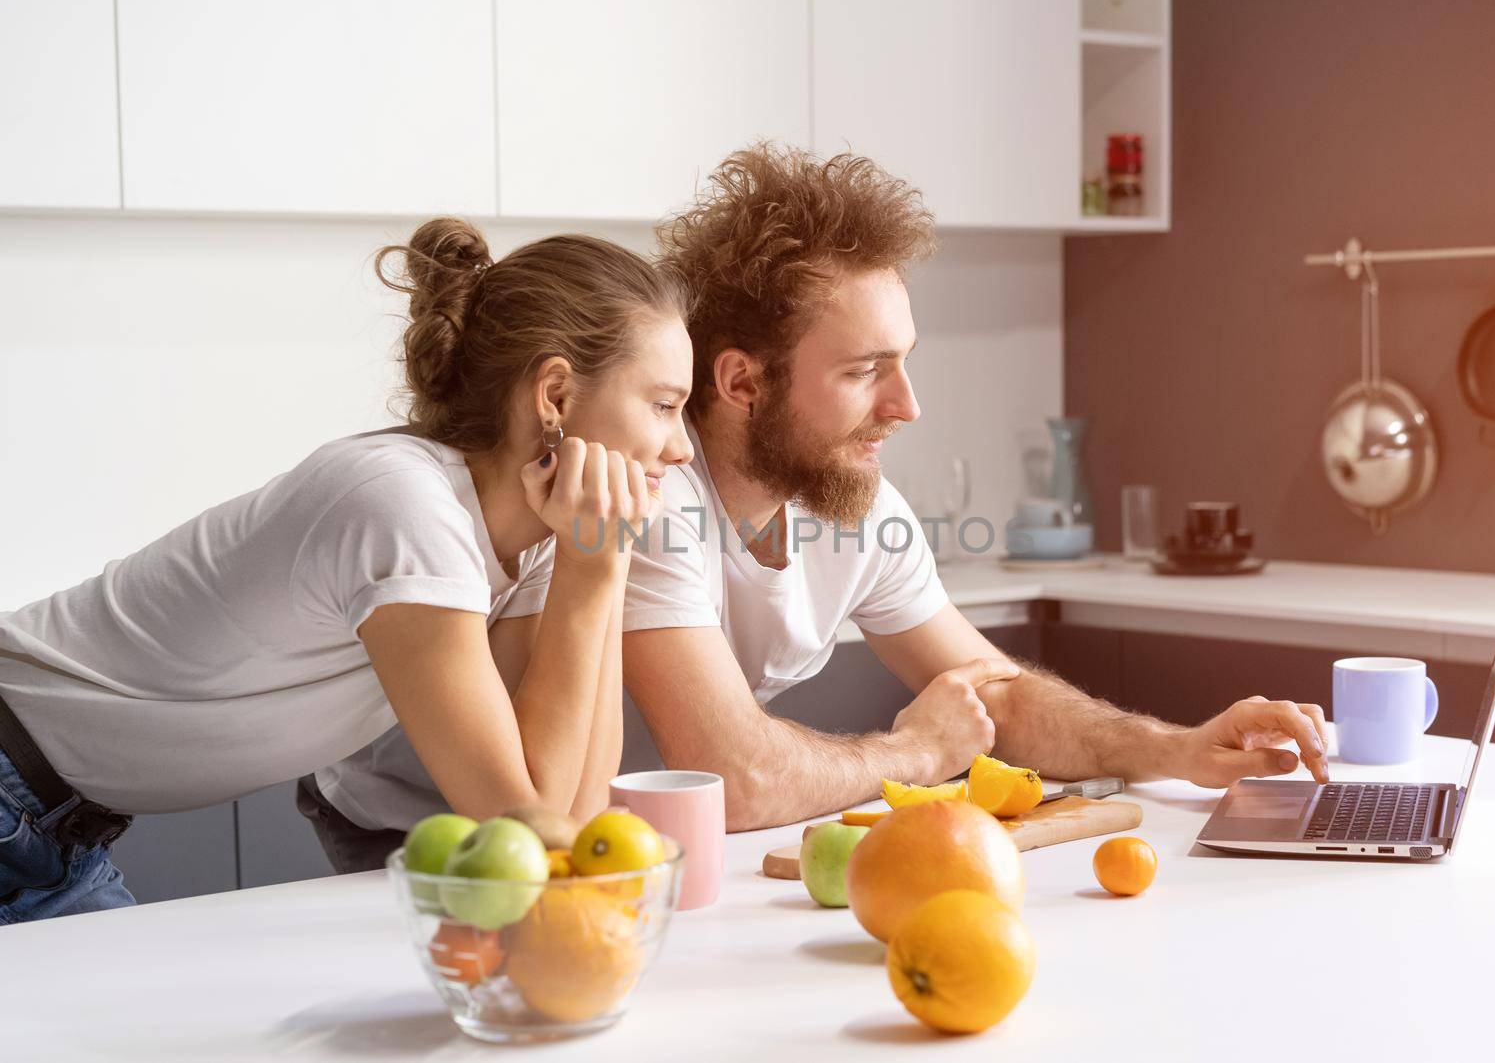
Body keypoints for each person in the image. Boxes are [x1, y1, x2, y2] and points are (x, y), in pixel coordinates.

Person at [305, 144, 1330, 850]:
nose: (908, 404)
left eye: (905, 362)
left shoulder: (854, 502)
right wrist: (917, 749)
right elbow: (736, 776)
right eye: (865, 370)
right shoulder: (650, 495)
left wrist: (1178, 747)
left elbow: (992, 692)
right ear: (741, 382)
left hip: (591, 832)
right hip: (423, 819)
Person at [0, 219, 692, 922]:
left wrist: (602, 563)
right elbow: (520, 821)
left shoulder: (539, 543)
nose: (681, 448)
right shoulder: (403, 506)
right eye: (664, 406)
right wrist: (592, 574)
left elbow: (569, 816)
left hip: (58, 828)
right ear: (556, 396)